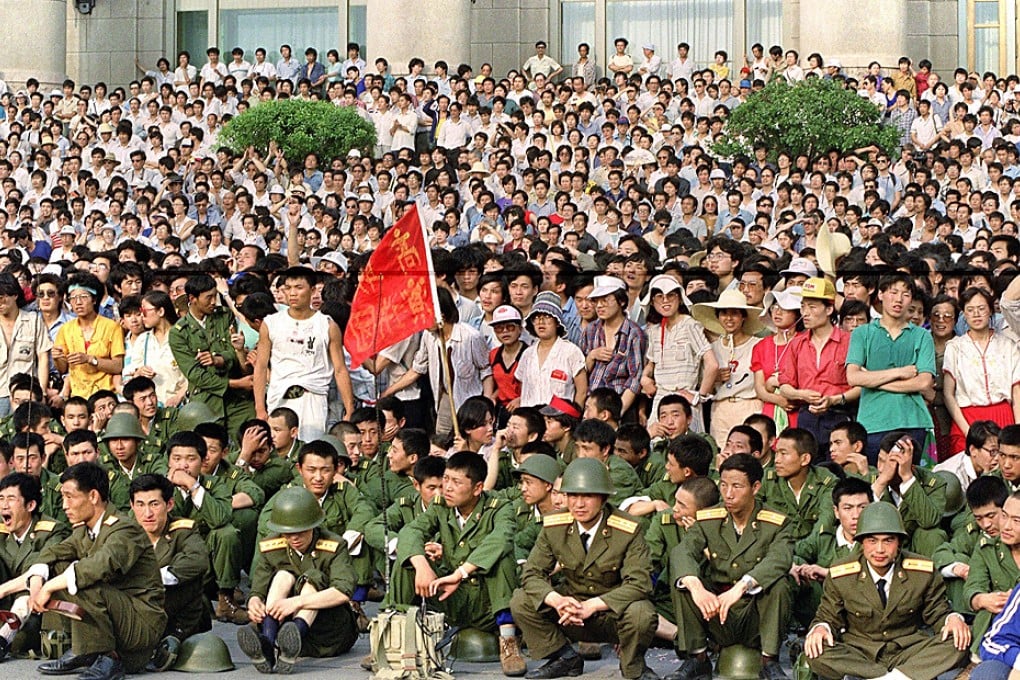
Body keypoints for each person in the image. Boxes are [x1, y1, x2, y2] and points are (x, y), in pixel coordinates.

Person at [6, 462, 166, 678]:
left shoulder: (124, 528)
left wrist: (49, 587)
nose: (64, 505)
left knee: (82, 578)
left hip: (140, 624)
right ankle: (85, 648)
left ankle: (110, 658)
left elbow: (100, 566)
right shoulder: (85, 529)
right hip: (117, 617)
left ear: (92, 496)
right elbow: (53, 552)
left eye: (70, 497)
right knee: (59, 567)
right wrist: (37, 580)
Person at [511, 458, 658, 680]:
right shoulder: (555, 526)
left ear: (604, 498)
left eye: (587, 496)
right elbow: (532, 573)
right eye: (572, 495)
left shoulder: (628, 529)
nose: (578, 504)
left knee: (642, 613)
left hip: (611, 614)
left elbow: (640, 583)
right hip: (568, 611)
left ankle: (633, 666)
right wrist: (556, 601)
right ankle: (564, 658)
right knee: (521, 600)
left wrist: (593, 605)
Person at [804, 501, 970, 680]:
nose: (880, 549)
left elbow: (938, 612)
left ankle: (891, 678)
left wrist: (952, 619)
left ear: (899, 542)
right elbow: (827, 616)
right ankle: (903, 676)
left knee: (958, 640)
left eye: (888, 540)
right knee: (816, 650)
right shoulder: (841, 574)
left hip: (909, 650)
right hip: (860, 653)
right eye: (872, 541)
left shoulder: (922, 571)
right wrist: (821, 628)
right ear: (861, 543)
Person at [395, 451, 526, 676]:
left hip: (487, 603)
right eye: (446, 479)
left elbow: (502, 539)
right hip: (450, 598)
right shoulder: (441, 507)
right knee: (407, 558)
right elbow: (411, 531)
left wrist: (461, 573)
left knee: (502, 558)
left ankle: (508, 643)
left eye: (456, 482)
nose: (447, 487)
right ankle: (394, 635)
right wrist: (422, 566)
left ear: (477, 488)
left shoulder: (499, 507)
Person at [668, 454, 793, 680]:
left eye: (737, 486)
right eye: (723, 485)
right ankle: (697, 659)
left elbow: (780, 559)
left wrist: (742, 587)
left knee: (779, 584)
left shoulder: (776, 522)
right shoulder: (708, 519)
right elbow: (683, 551)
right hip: (716, 612)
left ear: (755, 487)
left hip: (754, 613)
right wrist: (696, 586)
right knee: (683, 581)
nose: (728, 494)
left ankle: (769, 661)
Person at [239, 487, 359, 674]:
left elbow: (343, 592)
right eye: (287, 533)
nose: (294, 538)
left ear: (313, 525)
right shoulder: (271, 547)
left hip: (329, 633)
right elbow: (258, 589)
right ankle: (269, 643)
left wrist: (296, 602)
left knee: (313, 577)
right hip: (282, 626)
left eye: (301, 532)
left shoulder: (334, 546)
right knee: (282, 576)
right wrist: (254, 603)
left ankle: (296, 631)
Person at [254, 267, 355, 440]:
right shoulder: (271, 323)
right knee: (278, 451)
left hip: (313, 398)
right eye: (288, 287)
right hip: (279, 396)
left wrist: (349, 408)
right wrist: (260, 409)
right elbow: (261, 366)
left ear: (313, 290)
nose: (292, 293)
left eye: (299, 287)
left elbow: (340, 369)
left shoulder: (327, 325)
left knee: (311, 451)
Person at [846, 272, 936, 461]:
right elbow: (853, 377)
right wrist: (900, 372)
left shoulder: (921, 335)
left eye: (905, 294)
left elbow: (923, 382)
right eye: (893, 292)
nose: (899, 299)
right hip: (873, 422)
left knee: (911, 482)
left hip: (913, 419)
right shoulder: (862, 333)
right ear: (880, 294)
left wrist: (871, 379)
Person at [128, 473, 211, 657]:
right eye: (140, 505)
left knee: (187, 578)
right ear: (132, 506)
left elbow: (198, 560)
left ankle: (174, 637)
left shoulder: (183, 530)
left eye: (154, 504)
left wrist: (156, 577)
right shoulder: (125, 532)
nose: (147, 513)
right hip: (137, 608)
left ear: (169, 504)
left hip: (174, 609)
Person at [779, 278, 858, 459]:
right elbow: (785, 386)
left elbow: (862, 385)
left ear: (829, 309)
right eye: (803, 306)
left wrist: (834, 400)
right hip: (807, 415)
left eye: (812, 307)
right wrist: (801, 394)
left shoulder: (849, 342)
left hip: (840, 415)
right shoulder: (797, 343)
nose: (805, 313)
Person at [168, 273, 254, 434]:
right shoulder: (178, 333)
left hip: (239, 400)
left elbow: (232, 351)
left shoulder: (224, 315)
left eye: (215, 296)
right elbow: (195, 374)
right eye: (208, 298)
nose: (214, 302)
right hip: (206, 403)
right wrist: (234, 383)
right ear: (193, 298)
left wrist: (219, 360)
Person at [943, 287, 1020, 455]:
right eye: (970, 310)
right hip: (967, 417)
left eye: (981, 308)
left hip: (1002, 415)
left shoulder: (1008, 345)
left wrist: (1017, 428)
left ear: (991, 310)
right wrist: (967, 430)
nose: (976, 314)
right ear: (963, 314)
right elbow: (948, 394)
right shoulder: (955, 347)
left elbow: (1016, 390)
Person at [53, 273, 124, 399]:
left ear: (94, 299)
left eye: (84, 297)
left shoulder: (112, 326)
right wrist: (58, 358)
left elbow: (118, 366)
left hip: (105, 394)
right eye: (73, 298)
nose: (78, 302)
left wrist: (90, 359)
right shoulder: (65, 329)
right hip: (77, 395)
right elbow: (63, 369)